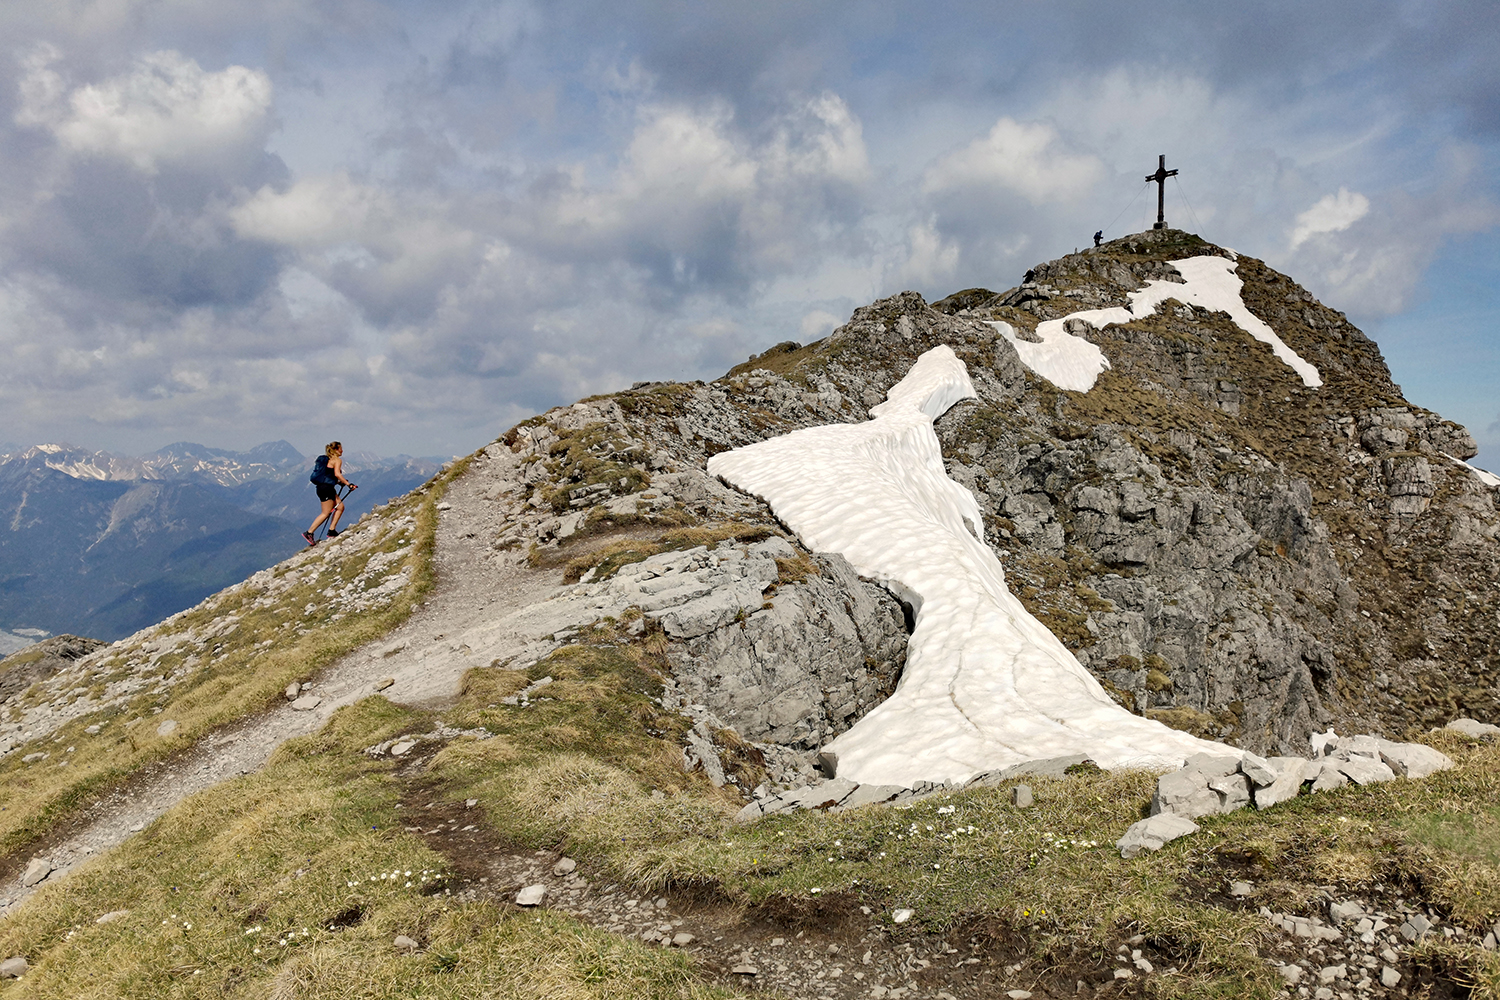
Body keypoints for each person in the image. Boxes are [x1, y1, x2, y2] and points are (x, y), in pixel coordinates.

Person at [304, 441, 357, 545]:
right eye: (341, 448)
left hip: (322, 488)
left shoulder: (327, 460)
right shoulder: (337, 460)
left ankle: (332, 530)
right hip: (327, 488)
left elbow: (328, 476)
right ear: (336, 450)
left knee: (340, 507)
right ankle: (309, 532)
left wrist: (338, 482)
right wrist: (348, 484)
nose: (342, 451)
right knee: (326, 513)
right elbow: (337, 474)